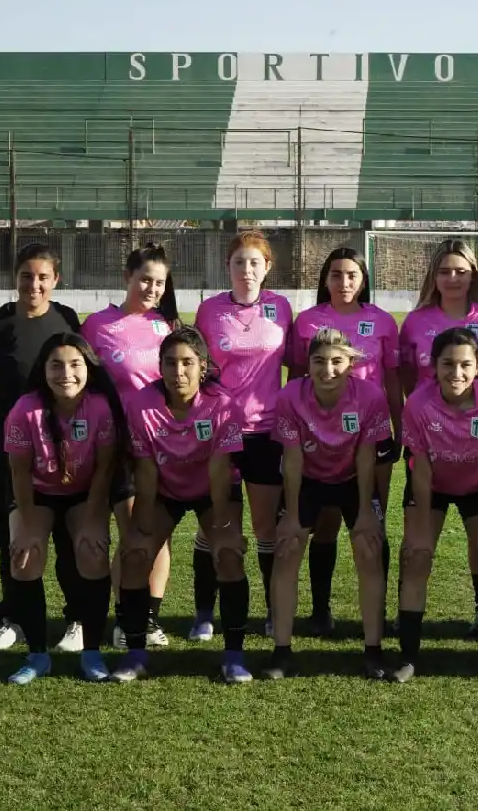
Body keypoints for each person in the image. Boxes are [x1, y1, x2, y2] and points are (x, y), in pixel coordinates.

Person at [82, 242, 206, 649]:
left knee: (159, 535)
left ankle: (148, 618)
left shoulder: (167, 326)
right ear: (127, 278)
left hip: (164, 445)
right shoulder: (98, 325)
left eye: (159, 282)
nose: (152, 288)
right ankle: (126, 618)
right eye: (144, 280)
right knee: (134, 533)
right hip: (119, 447)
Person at [0, 243, 85, 653]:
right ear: (15, 278)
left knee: (68, 530)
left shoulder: (66, 319)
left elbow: (81, 368)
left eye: (42, 276)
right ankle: (12, 617)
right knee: (12, 530)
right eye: (26, 276)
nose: (34, 284)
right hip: (9, 442)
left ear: (56, 280)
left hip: (62, 438)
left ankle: (76, 619)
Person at [112, 327, 252, 684]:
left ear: (202, 366)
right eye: (171, 363)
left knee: (229, 555)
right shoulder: (141, 405)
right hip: (163, 489)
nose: (179, 371)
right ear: (160, 366)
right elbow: (144, 468)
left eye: (188, 362)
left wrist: (222, 524)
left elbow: (220, 470)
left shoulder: (223, 405)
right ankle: (135, 653)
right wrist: (141, 522)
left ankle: (234, 656)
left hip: (212, 488)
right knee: (134, 555)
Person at [395, 328, 478, 684]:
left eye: (466, 364)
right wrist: (420, 520)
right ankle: (407, 657)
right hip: (431, 483)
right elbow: (419, 467)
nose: (457, 372)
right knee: (417, 554)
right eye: (447, 364)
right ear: (433, 366)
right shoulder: (418, 404)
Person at [1, 333, 128, 684]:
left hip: (84, 494)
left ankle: (91, 652)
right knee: (24, 559)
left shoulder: (100, 407)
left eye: (75, 364)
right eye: (56, 365)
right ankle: (37, 655)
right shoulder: (25, 409)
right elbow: (20, 473)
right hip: (37, 494)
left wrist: (91, 518)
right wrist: (26, 525)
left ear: (88, 367)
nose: (66, 373)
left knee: (93, 553)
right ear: (43, 370)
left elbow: (104, 469)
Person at [265, 328, 392, 680]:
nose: (328, 369)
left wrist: (367, 511)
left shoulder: (369, 396)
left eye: (337, 361)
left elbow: (367, 457)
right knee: (288, 549)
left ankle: (373, 650)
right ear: (307, 364)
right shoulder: (291, 395)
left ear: (351, 364)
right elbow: (291, 459)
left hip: (352, 480)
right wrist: (291, 515)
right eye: (319, 361)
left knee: (368, 549)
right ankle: (282, 651)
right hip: (307, 480)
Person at [288, 247, 400, 636]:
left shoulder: (383, 322)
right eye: (336, 274)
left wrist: (398, 428)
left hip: (372, 434)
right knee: (326, 523)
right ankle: (321, 610)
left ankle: (379, 611)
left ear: (363, 279)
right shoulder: (307, 322)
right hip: (319, 436)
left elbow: (393, 380)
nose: (344, 281)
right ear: (325, 279)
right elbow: (298, 380)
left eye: (352, 274)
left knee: (372, 522)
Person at [400, 239, 478, 638]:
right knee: (419, 537)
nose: (453, 278)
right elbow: (408, 377)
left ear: (474, 274)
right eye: (445, 271)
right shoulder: (415, 321)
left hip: (477, 443)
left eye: (461, 270)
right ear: (434, 277)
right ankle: (407, 613)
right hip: (430, 437)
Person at [195, 230, 292, 634]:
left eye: (254, 262)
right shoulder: (210, 310)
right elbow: (198, 370)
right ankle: (204, 614)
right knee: (214, 525)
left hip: (266, 433)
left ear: (267, 267)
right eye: (239, 262)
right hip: (221, 433)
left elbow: (299, 368)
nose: (247, 270)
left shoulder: (281, 308)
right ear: (228, 267)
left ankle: (272, 612)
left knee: (267, 528)